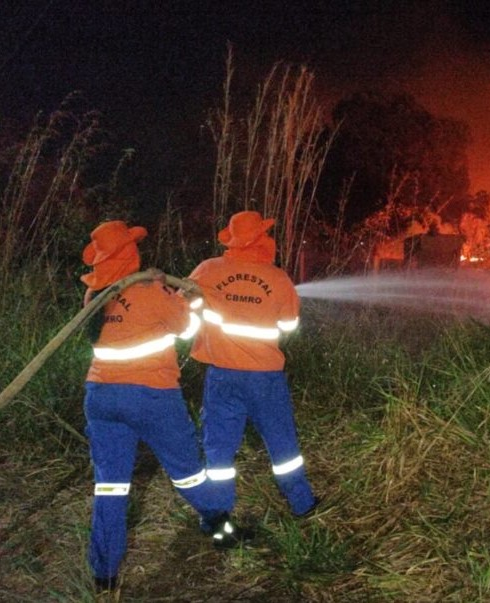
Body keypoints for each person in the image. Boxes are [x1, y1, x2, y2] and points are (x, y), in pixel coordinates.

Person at [80, 220, 223, 597]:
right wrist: (183, 297)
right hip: (151, 395)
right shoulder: (151, 293)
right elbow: (187, 330)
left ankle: (104, 573)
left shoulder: (95, 296)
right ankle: (220, 522)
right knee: (187, 473)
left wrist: (154, 283)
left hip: (101, 397)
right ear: (130, 252)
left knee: (110, 485)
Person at [187, 210, 317, 548]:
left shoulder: (207, 270)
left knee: (218, 449)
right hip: (265, 378)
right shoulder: (277, 278)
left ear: (230, 239)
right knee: (282, 443)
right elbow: (288, 327)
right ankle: (303, 505)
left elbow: (182, 309)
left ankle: (216, 518)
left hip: (221, 375)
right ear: (263, 239)